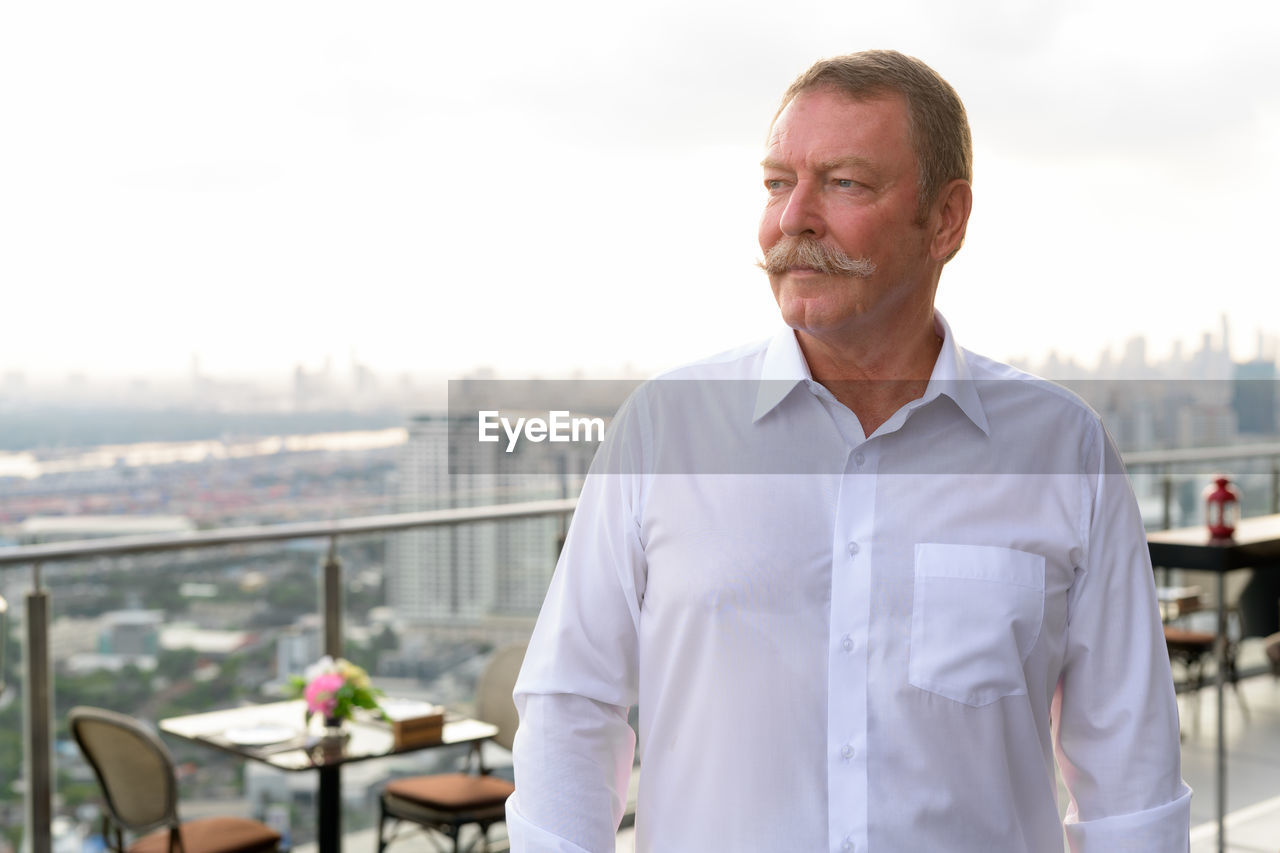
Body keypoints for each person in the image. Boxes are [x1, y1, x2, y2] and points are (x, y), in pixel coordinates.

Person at [506, 49, 1191, 852]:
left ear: (945, 219)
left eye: (844, 182)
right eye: (775, 182)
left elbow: (1130, 772)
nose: (792, 217)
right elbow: (571, 707)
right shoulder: (666, 429)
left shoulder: (1063, 448)